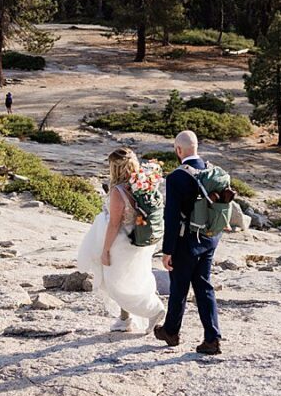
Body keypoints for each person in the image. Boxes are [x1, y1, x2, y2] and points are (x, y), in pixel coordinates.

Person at [75, 148, 165, 333]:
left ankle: (154, 310)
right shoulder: (142, 184)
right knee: (133, 278)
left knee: (118, 285)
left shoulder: (118, 191)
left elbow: (114, 224)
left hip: (122, 243)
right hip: (139, 238)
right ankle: (125, 319)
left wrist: (105, 250)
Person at [155, 129, 222, 355]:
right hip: (209, 240)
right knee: (204, 287)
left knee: (179, 288)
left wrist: (167, 250)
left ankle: (171, 332)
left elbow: (172, 217)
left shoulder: (176, 177)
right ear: (196, 148)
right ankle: (212, 338)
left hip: (185, 243)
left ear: (178, 150)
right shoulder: (211, 170)